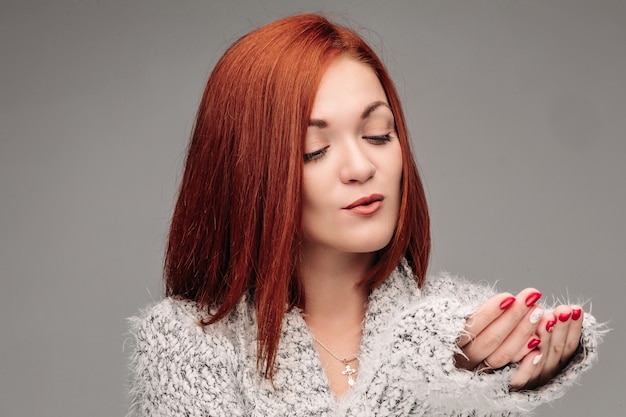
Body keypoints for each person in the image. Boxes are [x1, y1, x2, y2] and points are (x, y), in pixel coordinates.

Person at [128, 13, 603, 416]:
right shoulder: (187, 343)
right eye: (314, 150)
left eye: (378, 135)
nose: (361, 168)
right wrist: (404, 377)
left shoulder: (452, 329)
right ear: (246, 172)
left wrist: (528, 359)